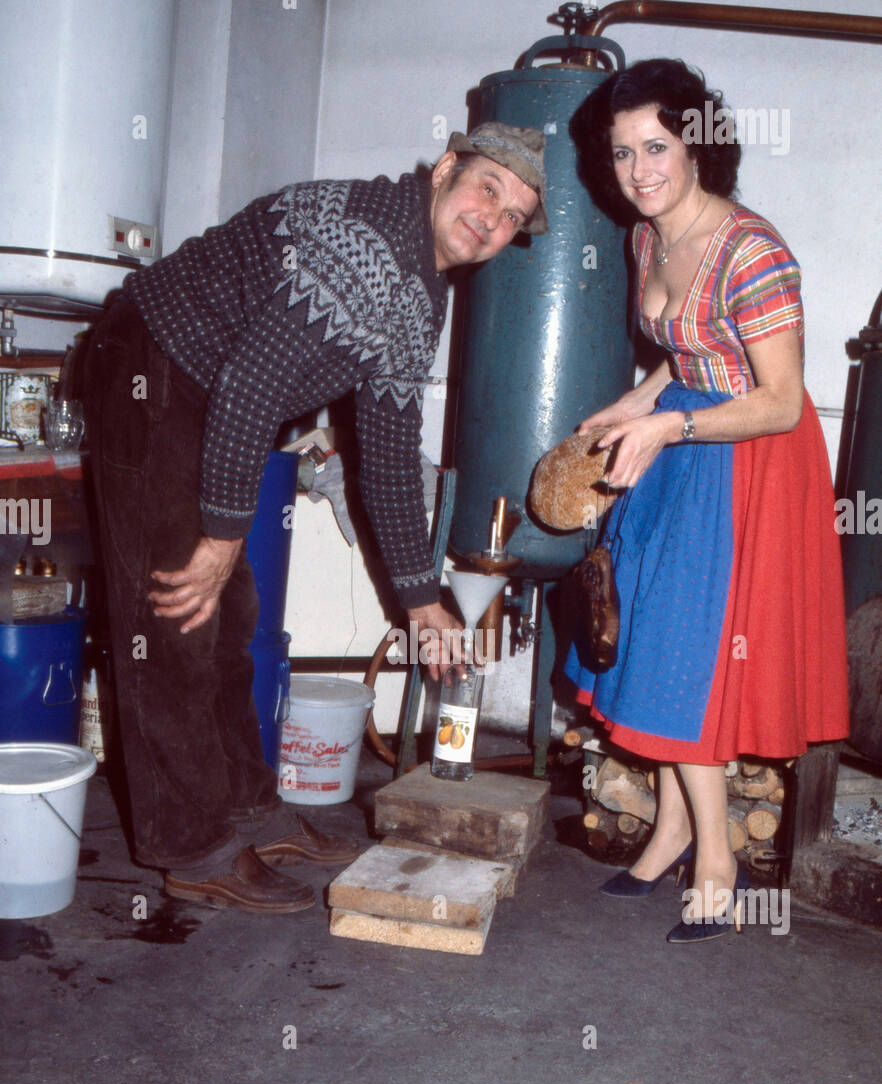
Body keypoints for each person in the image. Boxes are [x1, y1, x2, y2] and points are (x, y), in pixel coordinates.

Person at [81, 123, 547, 913]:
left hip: (207, 392)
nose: (491, 219)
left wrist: (422, 599)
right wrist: (224, 538)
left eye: (512, 216)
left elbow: (391, 453)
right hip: (148, 366)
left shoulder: (423, 289)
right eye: (486, 188)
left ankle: (247, 810)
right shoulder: (367, 240)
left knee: (233, 618)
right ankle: (191, 847)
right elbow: (253, 388)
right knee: (176, 612)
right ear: (443, 170)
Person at [563, 59, 849, 942]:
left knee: (691, 658)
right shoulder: (644, 237)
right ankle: (674, 830)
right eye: (621, 153)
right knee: (646, 642)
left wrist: (671, 428)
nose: (639, 170)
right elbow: (686, 352)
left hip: (748, 461)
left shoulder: (752, 251)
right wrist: (637, 403)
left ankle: (716, 859)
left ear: (699, 146)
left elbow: (778, 399)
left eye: (657, 146)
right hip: (679, 442)